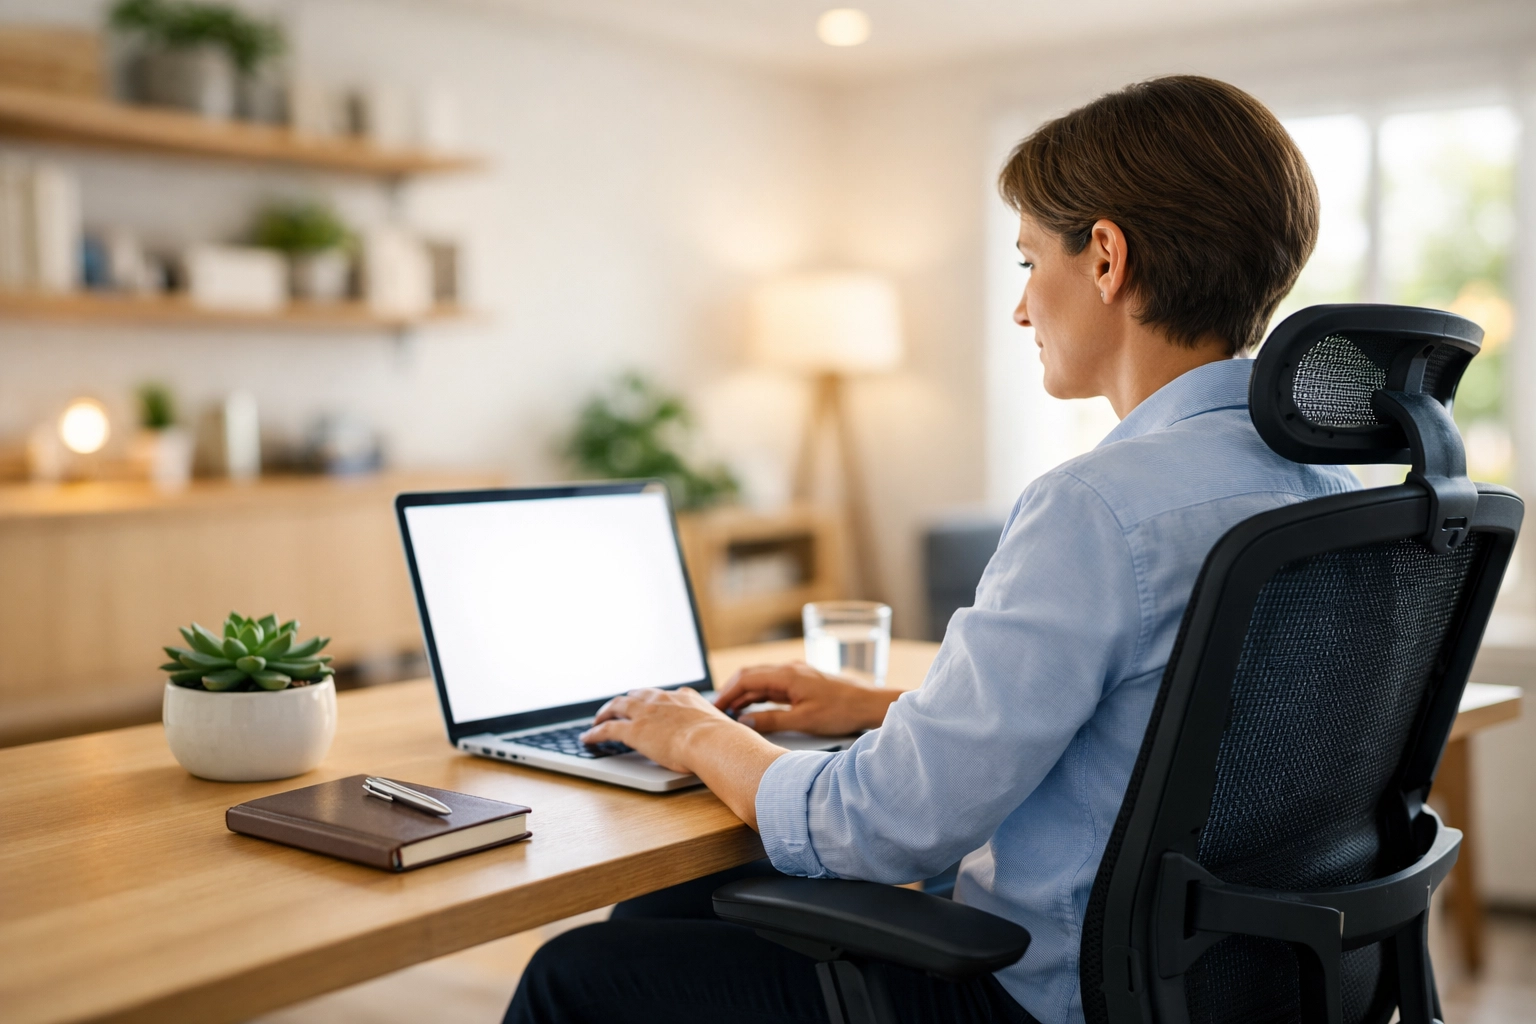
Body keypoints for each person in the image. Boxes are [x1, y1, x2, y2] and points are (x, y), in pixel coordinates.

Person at [504, 75, 1357, 1024]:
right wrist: (881, 707)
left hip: (1049, 998)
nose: (1023, 310)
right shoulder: (1327, 489)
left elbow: (881, 830)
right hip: (1238, 987)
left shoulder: (1100, 507)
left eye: (1031, 262)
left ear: (1107, 257)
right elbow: (1169, 728)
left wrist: (695, 730)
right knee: (662, 912)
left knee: (577, 976)